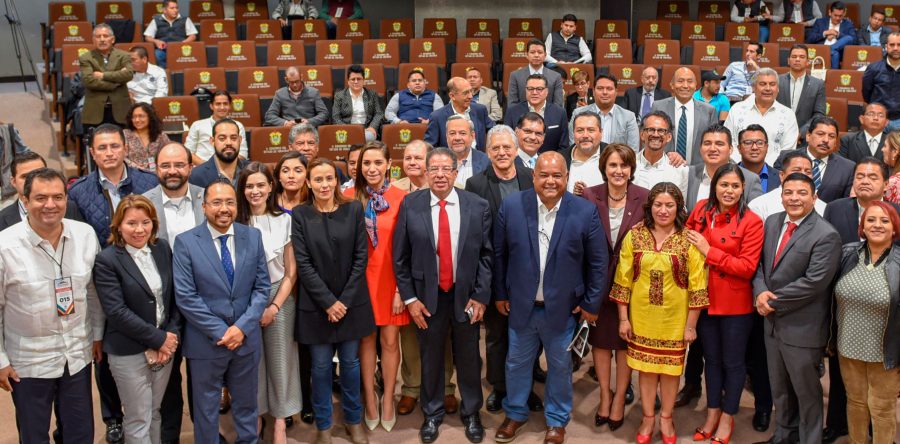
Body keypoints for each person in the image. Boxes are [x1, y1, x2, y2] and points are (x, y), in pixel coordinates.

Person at [492, 151, 606, 444]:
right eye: (543, 175)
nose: (550, 181)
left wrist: (591, 303)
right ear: (533, 176)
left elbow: (598, 263)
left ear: (567, 177)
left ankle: (556, 420)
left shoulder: (585, 211)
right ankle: (515, 413)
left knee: (560, 367)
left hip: (565, 309)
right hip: (521, 306)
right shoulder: (512, 206)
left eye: (557, 175)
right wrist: (501, 293)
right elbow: (500, 255)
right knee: (516, 364)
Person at [392, 147, 492, 444]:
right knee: (431, 357)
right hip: (427, 297)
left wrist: (481, 296)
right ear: (426, 172)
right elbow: (400, 258)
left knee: (469, 357)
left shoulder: (477, 205)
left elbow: (487, 256)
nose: (439, 174)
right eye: (433, 169)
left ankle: (471, 412)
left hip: (466, 296)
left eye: (445, 169)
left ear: (455, 172)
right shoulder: (411, 204)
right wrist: (410, 299)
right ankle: (432, 413)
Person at [0, 168, 103, 444]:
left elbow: (93, 292)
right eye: (40, 198)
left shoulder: (85, 235)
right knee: (34, 436)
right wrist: (1, 360)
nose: (50, 205)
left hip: (76, 355)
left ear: (66, 199)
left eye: (58, 197)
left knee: (80, 433)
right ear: (25, 200)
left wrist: (97, 335)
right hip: (28, 362)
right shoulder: (4, 246)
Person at [172, 178, 270, 444]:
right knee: (206, 410)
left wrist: (241, 329)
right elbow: (186, 297)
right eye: (216, 202)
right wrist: (223, 332)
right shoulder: (186, 242)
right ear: (204, 206)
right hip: (205, 342)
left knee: (247, 405)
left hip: (246, 340)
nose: (224, 208)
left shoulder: (252, 236)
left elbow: (262, 288)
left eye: (229, 202)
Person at [611, 182, 708, 444]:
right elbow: (622, 280)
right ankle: (647, 417)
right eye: (658, 205)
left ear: (679, 208)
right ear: (649, 206)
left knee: (671, 370)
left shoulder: (688, 240)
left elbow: (698, 286)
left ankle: (666, 417)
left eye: (669, 205)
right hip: (641, 318)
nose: (663, 210)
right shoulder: (635, 235)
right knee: (646, 369)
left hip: (675, 320)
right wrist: (623, 319)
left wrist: (691, 325)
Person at [753, 172, 842, 444]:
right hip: (772, 325)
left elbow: (814, 283)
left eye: (802, 193)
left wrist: (770, 301)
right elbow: (760, 265)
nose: (794, 198)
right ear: (781, 196)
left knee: (807, 394)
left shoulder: (826, 234)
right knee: (780, 390)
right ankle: (783, 436)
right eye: (788, 192)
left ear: (814, 198)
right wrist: (759, 292)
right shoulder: (772, 222)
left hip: (803, 329)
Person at [292, 158, 373, 444]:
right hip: (316, 307)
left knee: (350, 365)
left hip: (351, 304)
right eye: (318, 179)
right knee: (321, 368)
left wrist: (343, 301)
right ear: (308, 182)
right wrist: (328, 302)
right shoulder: (300, 214)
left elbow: (361, 257)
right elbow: (303, 264)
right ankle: (324, 426)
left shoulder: (353, 209)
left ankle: (353, 421)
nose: (324, 184)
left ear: (337, 181)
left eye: (329, 178)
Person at [821, 158, 900, 443]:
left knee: (881, 406)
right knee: (853, 400)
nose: (877, 225)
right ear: (862, 227)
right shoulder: (847, 251)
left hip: (885, 344)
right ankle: (846, 432)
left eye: (884, 221)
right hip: (848, 340)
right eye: (870, 221)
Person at [685, 164, 764, 444]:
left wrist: (709, 252)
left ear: (743, 189)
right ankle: (712, 413)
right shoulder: (701, 209)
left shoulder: (751, 221)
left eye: (735, 186)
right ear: (714, 186)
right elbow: (685, 239)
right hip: (703, 299)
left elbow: (747, 267)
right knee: (711, 360)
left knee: (733, 363)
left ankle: (728, 416)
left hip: (735, 305)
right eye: (724, 185)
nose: (729, 191)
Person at [93, 195, 181, 444]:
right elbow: (116, 311)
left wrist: (170, 337)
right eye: (131, 223)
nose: (139, 229)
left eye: (145, 222)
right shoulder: (108, 260)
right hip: (128, 351)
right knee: (138, 418)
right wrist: (158, 339)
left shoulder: (162, 249)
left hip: (165, 349)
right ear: (118, 226)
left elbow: (173, 298)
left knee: (154, 412)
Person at [464, 126, 539, 414]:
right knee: (496, 335)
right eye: (495, 148)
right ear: (487, 151)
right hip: (494, 270)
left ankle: (527, 386)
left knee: (529, 333)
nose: (502, 152)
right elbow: (476, 234)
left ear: (517, 149)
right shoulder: (475, 184)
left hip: (528, 270)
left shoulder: (531, 178)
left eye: (507, 147)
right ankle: (500, 387)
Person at [580, 144, 649, 432]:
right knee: (600, 342)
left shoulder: (645, 197)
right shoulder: (589, 195)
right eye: (613, 165)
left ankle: (620, 397)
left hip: (631, 284)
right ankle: (605, 396)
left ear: (631, 169)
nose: (618, 171)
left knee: (624, 343)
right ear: (604, 168)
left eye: (624, 165)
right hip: (596, 282)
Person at [342, 142, 408, 433]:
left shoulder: (402, 198)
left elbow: (407, 248)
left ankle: (388, 398)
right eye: (365, 163)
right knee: (365, 342)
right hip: (359, 282)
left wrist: (400, 290)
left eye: (378, 163)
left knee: (390, 342)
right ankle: (369, 398)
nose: (371, 168)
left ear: (389, 164)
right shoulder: (347, 198)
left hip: (391, 280)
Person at [234, 162, 300, 444]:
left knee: (280, 360)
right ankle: (256, 414)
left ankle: (280, 420)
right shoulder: (234, 221)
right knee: (250, 362)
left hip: (278, 296)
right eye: (249, 186)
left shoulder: (285, 220)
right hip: (243, 298)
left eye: (261, 185)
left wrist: (274, 307)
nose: (255, 191)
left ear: (271, 187)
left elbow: (290, 272)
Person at [725, 68, 799, 165]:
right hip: (739, 169)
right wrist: (743, 166)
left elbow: (788, 150)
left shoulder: (788, 114)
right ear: (754, 87)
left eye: (772, 84)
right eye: (763, 84)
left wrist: (769, 169)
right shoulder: (737, 109)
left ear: (778, 88)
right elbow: (728, 141)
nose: (768, 88)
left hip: (775, 170)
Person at [775, 115, 854, 203]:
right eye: (820, 134)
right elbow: (775, 191)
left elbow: (846, 203)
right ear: (808, 136)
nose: (826, 140)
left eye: (831, 136)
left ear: (836, 142)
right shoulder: (786, 157)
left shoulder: (848, 168)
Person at [686, 125, 763, 212]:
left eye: (719, 144)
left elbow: (757, 216)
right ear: (700, 148)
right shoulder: (688, 173)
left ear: (730, 149)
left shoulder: (750, 179)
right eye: (707, 143)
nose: (712, 149)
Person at [651, 67, 718, 165]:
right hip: (665, 167)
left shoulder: (709, 111)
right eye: (680, 81)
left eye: (690, 81)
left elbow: (714, 143)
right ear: (672, 85)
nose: (685, 86)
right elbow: (651, 139)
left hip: (697, 169)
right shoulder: (658, 107)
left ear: (696, 86)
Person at [0, 152, 82, 231]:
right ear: (14, 181)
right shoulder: (2, 219)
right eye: (25, 176)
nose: (32, 181)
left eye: (39, 175)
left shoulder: (70, 209)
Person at [80, 24, 133, 130]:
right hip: (95, 110)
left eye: (105, 36)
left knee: (122, 139)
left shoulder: (124, 55)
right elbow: (89, 81)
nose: (102, 39)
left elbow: (128, 74)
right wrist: (116, 83)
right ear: (93, 40)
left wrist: (103, 75)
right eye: (98, 36)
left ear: (112, 39)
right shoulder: (86, 58)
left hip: (120, 110)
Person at [749, 150, 828, 220]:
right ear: (782, 175)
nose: (803, 175)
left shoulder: (823, 207)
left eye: (808, 172)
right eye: (797, 170)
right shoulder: (760, 204)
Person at [569, 74, 640, 148]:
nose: (605, 92)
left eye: (609, 89)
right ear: (593, 92)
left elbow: (633, 149)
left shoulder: (628, 117)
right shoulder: (578, 114)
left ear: (616, 92)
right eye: (600, 88)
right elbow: (573, 146)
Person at [425, 77, 495, 151]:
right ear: (452, 96)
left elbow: (494, 130)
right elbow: (429, 148)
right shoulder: (437, 117)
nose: (470, 96)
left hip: (477, 157)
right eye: (466, 93)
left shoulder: (480, 110)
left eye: (471, 91)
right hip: (451, 158)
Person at [504, 74, 569, 153]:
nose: (534, 92)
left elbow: (564, 146)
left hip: (550, 159)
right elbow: (507, 142)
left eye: (539, 89)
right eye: (530, 89)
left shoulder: (560, 113)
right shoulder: (512, 111)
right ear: (526, 90)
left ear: (547, 91)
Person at [633, 111, 689, 196]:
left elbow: (682, 203)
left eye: (661, 131)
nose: (656, 135)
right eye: (651, 130)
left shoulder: (680, 170)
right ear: (642, 135)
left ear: (669, 137)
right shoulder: (628, 165)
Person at [185, 91, 249, 164]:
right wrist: (207, 167)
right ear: (211, 106)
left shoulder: (238, 125)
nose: (222, 107)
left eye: (225, 104)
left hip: (229, 167)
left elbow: (243, 154)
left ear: (229, 106)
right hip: (202, 166)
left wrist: (224, 166)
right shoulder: (197, 125)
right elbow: (188, 152)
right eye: (218, 104)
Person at [776, 45, 826, 136]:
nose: (797, 59)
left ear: (807, 62)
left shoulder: (818, 84)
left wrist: (801, 133)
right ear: (788, 61)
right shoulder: (777, 81)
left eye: (802, 57)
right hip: (777, 133)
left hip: (803, 137)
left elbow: (819, 114)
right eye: (794, 56)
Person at [189, 118, 250, 188]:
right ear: (212, 141)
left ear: (240, 140)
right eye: (222, 138)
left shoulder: (252, 171)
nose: (228, 143)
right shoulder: (195, 176)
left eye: (233, 138)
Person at [332, 65, 384, 143]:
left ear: (363, 80)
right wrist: (347, 129)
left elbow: (379, 113)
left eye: (359, 79)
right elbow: (335, 117)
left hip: (366, 129)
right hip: (347, 129)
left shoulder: (372, 94)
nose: (356, 82)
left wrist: (372, 127)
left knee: (368, 137)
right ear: (348, 81)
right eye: (353, 79)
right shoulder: (339, 96)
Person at [265, 67, 329, 128]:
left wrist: (309, 122)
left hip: (308, 129)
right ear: (286, 79)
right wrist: (285, 123)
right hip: (289, 129)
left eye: (297, 81)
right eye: (291, 82)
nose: (295, 85)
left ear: (301, 77)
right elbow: (269, 116)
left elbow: (324, 113)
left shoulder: (313, 92)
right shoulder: (280, 94)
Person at [507, 39, 565, 107]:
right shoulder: (515, 75)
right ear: (527, 55)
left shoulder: (556, 77)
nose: (536, 55)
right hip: (522, 113)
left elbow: (558, 105)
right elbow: (512, 104)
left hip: (548, 113)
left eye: (540, 52)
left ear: (545, 55)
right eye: (532, 52)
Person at [862, 32, 900, 132]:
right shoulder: (873, 68)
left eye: (899, 45)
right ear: (886, 46)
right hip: (878, 120)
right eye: (892, 45)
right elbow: (866, 94)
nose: (896, 48)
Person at [142, 0, 198, 69]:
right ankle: (166, 72)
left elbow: (193, 36)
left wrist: (183, 43)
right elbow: (147, 37)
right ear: (164, 10)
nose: (175, 10)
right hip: (163, 49)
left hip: (180, 48)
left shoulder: (185, 19)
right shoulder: (156, 20)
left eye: (176, 8)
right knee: (157, 55)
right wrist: (156, 41)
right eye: (172, 8)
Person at [564, 111, 607, 194]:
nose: (585, 135)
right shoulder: (561, 158)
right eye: (580, 130)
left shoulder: (613, 156)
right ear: (573, 133)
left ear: (601, 132)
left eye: (591, 130)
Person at [806, 1, 857, 69]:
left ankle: (830, 49)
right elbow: (809, 39)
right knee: (835, 53)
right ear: (830, 12)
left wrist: (837, 34)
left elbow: (854, 41)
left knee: (848, 39)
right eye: (835, 15)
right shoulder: (820, 22)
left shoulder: (848, 24)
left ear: (844, 14)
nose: (837, 18)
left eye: (840, 16)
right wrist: (825, 33)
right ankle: (829, 50)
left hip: (839, 53)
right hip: (821, 51)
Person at [443, 115, 489, 187]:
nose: (457, 138)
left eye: (462, 133)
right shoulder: (436, 161)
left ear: (472, 136)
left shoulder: (486, 162)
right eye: (452, 133)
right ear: (446, 136)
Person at [123, 102, 171, 171]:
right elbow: (122, 158)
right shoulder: (125, 134)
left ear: (150, 117)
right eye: (134, 117)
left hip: (157, 173)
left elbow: (169, 154)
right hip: (133, 173)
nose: (137, 120)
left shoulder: (160, 135)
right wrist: (141, 170)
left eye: (141, 116)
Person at [738, 124, 781, 193]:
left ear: (767, 147)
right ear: (739, 148)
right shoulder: (727, 175)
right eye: (748, 143)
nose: (754, 147)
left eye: (760, 143)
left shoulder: (780, 178)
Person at [882, 131, 900, 204]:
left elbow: (886, 208)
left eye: (885, 146)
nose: (882, 149)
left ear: (895, 152)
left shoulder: (894, 182)